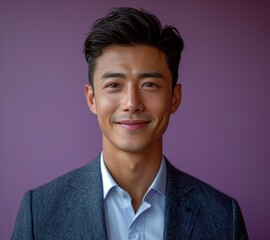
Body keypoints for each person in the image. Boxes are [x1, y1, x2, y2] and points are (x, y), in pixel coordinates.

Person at [12, 7, 248, 239]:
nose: (132, 103)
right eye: (114, 85)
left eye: (149, 85)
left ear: (174, 98)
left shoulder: (224, 216)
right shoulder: (39, 212)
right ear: (92, 99)